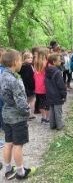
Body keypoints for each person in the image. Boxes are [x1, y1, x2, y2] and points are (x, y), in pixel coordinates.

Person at [0, 49, 35, 180]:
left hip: (6, 114)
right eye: (20, 60)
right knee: (18, 144)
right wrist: (27, 112)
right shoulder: (14, 79)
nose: (21, 62)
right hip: (17, 116)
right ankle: (20, 172)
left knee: (8, 142)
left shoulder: (2, 75)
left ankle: (8, 170)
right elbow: (21, 102)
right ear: (15, 62)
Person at [45, 53, 67, 130]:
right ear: (54, 62)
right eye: (59, 60)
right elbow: (61, 85)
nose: (60, 61)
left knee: (52, 110)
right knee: (58, 111)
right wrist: (64, 95)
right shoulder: (57, 72)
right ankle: (59, 125)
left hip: (49, 94)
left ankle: (52, 125)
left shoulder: (46, 71)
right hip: (57, 95)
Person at [19, 51, 36, 120]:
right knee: (31, 100)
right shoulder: (28, 66)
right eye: (28, 58)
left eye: (31, 58)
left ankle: (28, 114)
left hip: (24, 86)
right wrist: (33, 86)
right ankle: (30, 114)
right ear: (24, 58)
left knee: (27, 100)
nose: (30, 59)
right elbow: (29, 78)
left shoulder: (21, 66)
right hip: (29, 86)